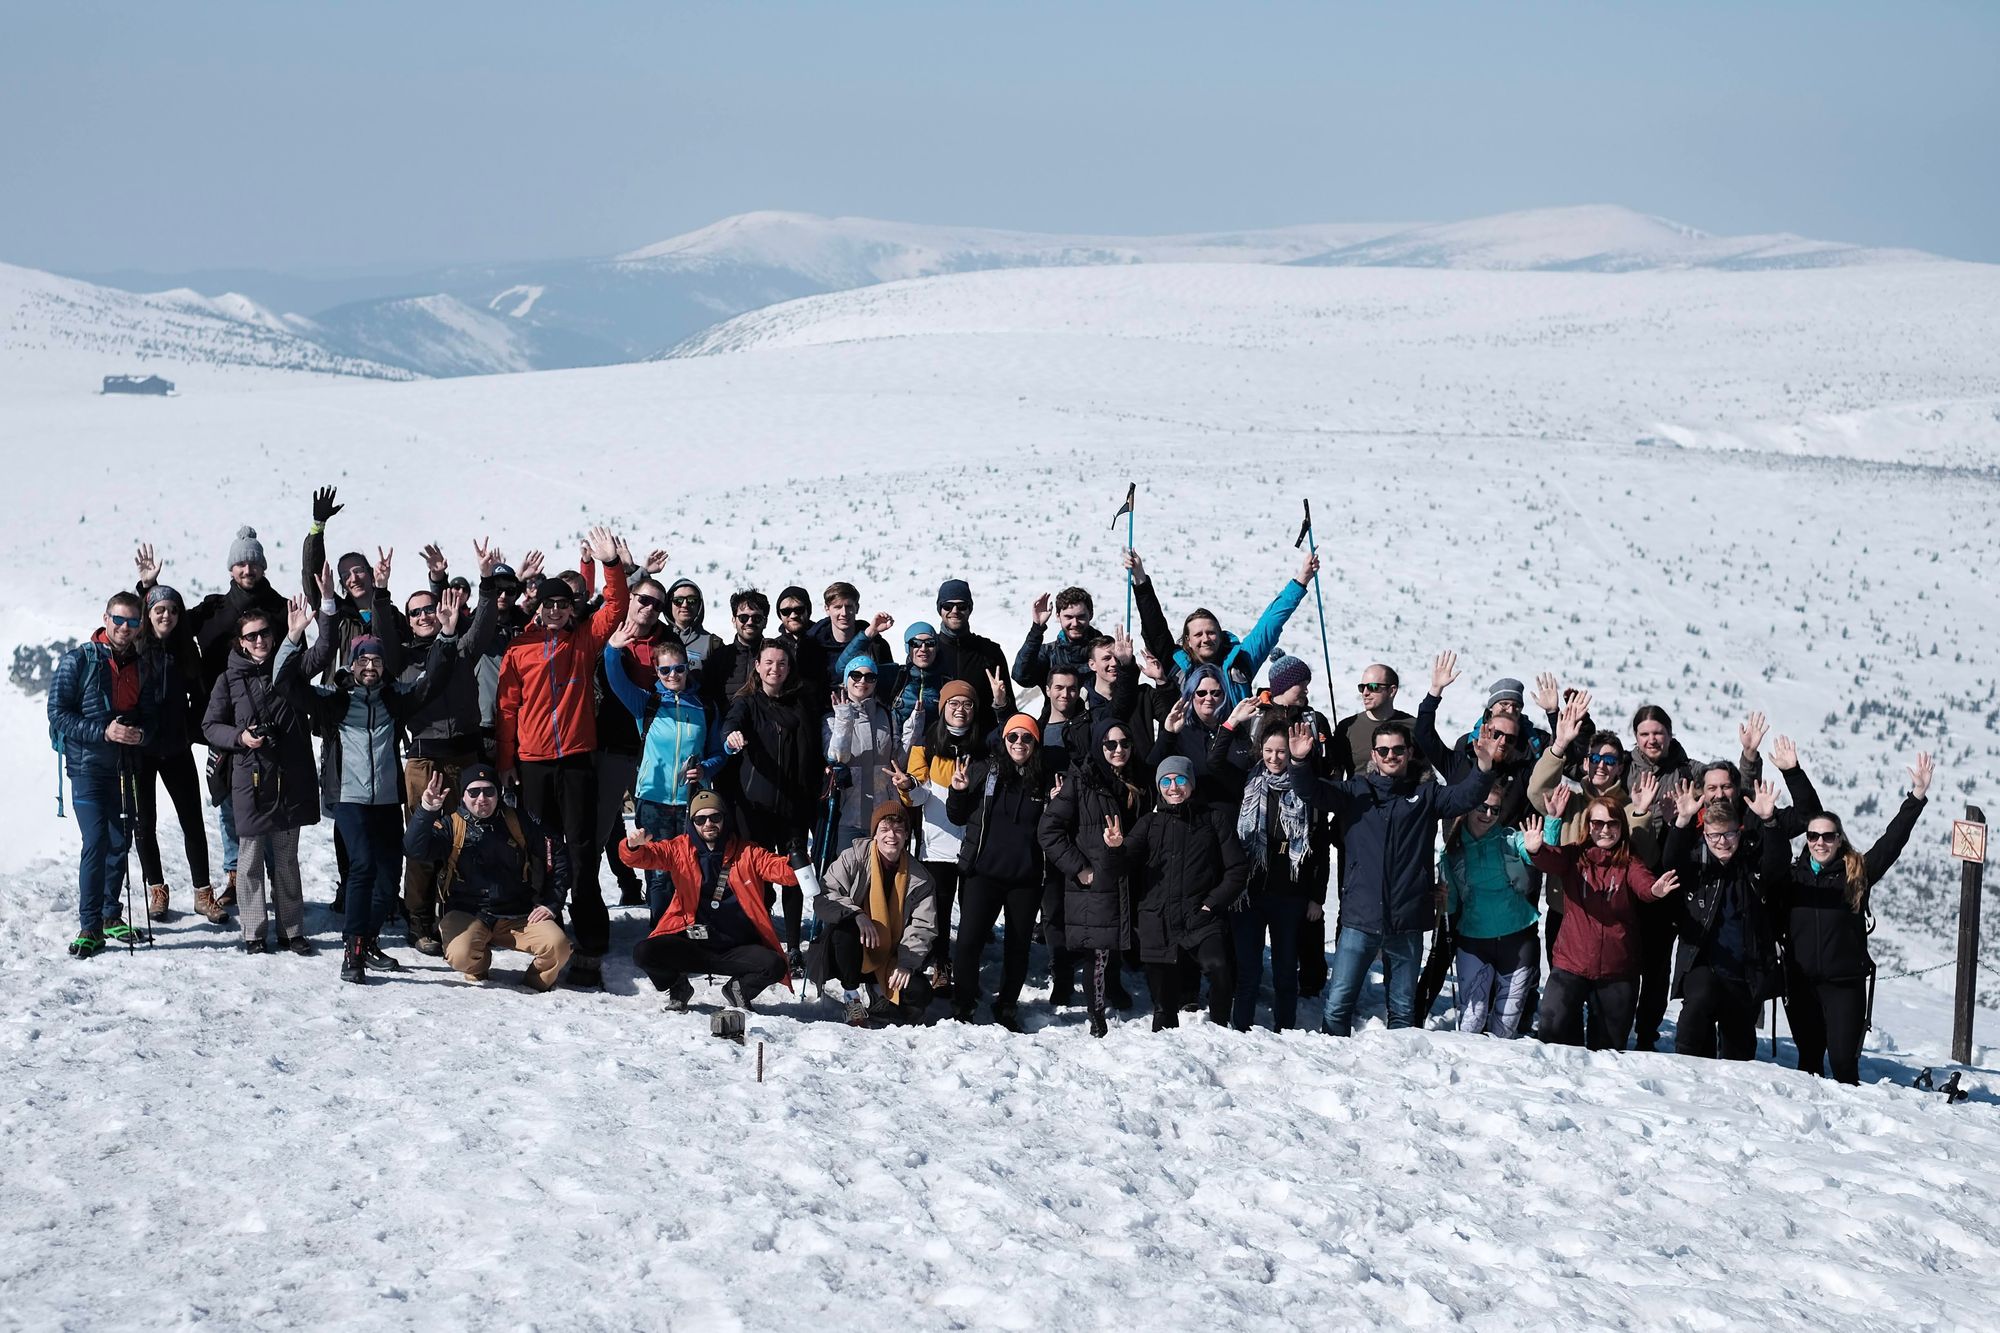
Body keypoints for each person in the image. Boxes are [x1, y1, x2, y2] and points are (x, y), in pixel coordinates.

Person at [1305, 666, 1501, 1037]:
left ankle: (1399, 1072)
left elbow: (1466, 796)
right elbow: (1313, 792)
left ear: (1409, 753)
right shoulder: (1355, 793)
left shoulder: (1425, 795)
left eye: (1398, 749)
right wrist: (1300, 763)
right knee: (1338, 1002)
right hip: (1360, 918)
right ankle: (1329, 1068)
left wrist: (1485, 767)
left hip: (1408, 919)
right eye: (1383, 750)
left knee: (1403, 1008)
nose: (1391, 755)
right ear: (1374, 756)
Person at [286, 578, 457, 983]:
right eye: (362, 661)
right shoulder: (335, 701)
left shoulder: (394, 699)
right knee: (361, 867)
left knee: (387, 876)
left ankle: (369, 940)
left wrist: (447, 636)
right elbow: (287, 686)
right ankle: (352, 950)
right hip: (348, 798)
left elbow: (434, 680)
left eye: (376, 661)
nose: (369, 667)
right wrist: (294, 639)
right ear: (352, 663)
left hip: (385, 800)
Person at [495, 525, 630, 989]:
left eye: (562, 603)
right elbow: (507, 708)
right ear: (538, 606)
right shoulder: (520, 648)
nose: (555, 610)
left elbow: (615, 608)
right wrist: (506, 762)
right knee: (539, 849)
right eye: (548, 603)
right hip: (533, 763)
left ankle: (591, 946)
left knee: (582, 850)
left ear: (571, 608)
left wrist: (610, 565)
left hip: (575, 761)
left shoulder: (583, 641)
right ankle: (545, 936)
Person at [144, 524, 288, 911]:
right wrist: (149, 589)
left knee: (271, 799)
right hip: (219, 722)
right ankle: (235, 875)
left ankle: (276, 878)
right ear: (231, 569)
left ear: (263, 566)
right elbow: (164, 625)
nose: (247, 570)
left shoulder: (280, 608)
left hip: (268, 717)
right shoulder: (211, 610)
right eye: (240, 563)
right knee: (226, 798)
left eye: (253, 563)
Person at [1773, 754, 1932, 1084]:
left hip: (1844, 984)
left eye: (1828, 836)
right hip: (1801, 983)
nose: (1820, 842)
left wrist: (1915, 798)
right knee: (1809, 1061)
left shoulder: (1856, 874)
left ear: (1839, 839)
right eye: (1813, 836)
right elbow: (1768, 856)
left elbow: (1891, 843)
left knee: (1844, 1061)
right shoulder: (1791, 878)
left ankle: (1852, 1129)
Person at [397, 542, 505, 954]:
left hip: (465, 755)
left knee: (466, 837)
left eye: (430, 609)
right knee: (423, 842)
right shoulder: (403, 659)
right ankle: (420, 919)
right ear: (409, 622)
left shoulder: (461, 649)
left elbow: (484, 624)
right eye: (417, 613)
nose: (425, 616)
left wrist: (485, 579)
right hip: (424, 758)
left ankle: (458, 912)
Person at [202, 596, 323, 955]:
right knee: (250, 858)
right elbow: (210, 726)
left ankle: (292, 929)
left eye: (264, 634)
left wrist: (311, 622)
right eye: (251, 636)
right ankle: (253, 932)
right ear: (240, 641)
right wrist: (241, 738)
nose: (259, 641)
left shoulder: (289, 668)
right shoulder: (228, 679)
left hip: (287, 777)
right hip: (249, 780)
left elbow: (325, 649)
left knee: (286, 858)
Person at [1528, 785, 1682, 1050]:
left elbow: (1644, 885)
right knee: (1554, 1035)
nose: (1605, 829)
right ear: (1588, 826)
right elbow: (1551, 861)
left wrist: (1655, 891)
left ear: (1622, 827)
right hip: (1571, 964)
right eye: (1598, 823)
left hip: (1617, 969)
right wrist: (1536, 850)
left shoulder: (1629, 861)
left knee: (1609, 1050)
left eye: (1612, 823)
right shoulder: (1575, 856)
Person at [49, 592, 160, 957]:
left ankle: (112, 915)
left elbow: (149, 717)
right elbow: (57, 713)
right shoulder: (78, 660)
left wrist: (140, 734)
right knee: (96, 840)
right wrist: (104, 732)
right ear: (105, 617)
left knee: (120, 840)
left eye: (131, 622)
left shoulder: (141, 665)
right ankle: (90, 924)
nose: (124, 628)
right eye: (118, 620)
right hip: (86, 767)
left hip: (123, 766)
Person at [621, 791, 800, 1012]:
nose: (708, 824)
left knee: (775, 965)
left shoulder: (748, 852)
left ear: (725, 818)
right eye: (700, 819)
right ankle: (678, 986)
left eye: (715, 817)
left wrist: (797, 859)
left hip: (736, 947)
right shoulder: (679, 849)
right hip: (692, 944)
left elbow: (783, 872)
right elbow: (643, 857)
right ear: (692, 822)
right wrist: (633, 846)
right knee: (644, 952)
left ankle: (738, 990)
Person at [125, 551, 225, 926]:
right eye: (159, 610)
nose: (166, 615)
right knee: (143, 824)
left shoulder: (186, 652)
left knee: (192, 820)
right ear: (148, 616)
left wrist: (197, 731)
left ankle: (203, 893)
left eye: (172, 610)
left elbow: (201, 696)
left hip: (177, 747)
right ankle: (157, 890)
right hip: (141, 751)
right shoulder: (136, 650)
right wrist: (147, 586)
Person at [406, 765, 572, 989]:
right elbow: (414, 850)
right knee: (460, 955)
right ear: (463, 795)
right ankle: (479, 963)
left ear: (499, 793)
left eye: (489, 791)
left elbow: (557, 854)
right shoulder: (450, 825)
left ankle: (535, 982)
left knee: (558, 946)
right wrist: (426, 811)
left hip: (517, 913)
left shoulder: (518, 821)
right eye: (473, 792)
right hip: (467, 912)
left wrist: (552, 903)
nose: (481, 798)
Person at [1207, 710, 1320, 1031]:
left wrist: (1315, 896)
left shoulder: (1307, 787)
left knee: (1286, 971)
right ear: (1260, 750)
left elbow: (1319, 848)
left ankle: (1285, 1030)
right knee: (1248, 972)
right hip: (1248, 892)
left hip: (1290, 893)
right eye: (1269, 751)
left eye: (1282, 751)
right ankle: (1241, 1030)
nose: (1274, 758)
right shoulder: (1248, 780)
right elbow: (1215, 762)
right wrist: (1230, 724)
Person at [1118, 755, 1245, 1030]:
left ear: (1192, 783)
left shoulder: (1213, 820)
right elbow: (1121, 866)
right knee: (1163, 1007)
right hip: (1158, 920)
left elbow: (1237, 869)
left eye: (1180, 780)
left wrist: (1212, 904)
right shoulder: (1148, 824)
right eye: (1166, 781)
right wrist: (1115, 849)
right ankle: (1165, 1059)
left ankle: (1221, 1029)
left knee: (1220, 971)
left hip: (1201, 916)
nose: (1173, 787)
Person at [720, 640, 825, 965]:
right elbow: (731, 725)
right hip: (755, 806)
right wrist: (731, 737)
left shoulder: (802, 702)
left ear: (789, 668)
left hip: (794, 805)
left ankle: (793, 946)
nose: (774, 669)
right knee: (759, 877)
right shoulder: (748, 703)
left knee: (794, 871)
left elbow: (818, 744)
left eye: (781, 663)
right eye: (768, 662)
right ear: (757, 665)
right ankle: (762, 938)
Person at [1040, 716, 1147, 1035]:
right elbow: (1048, 831)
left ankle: (1110, 993)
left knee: (1112, 945)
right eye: (1110, 744)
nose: (1118, 750)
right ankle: (1096, 1012)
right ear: (1099, 746)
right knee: (1098, 952)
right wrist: (1080, 868)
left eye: (1124, 743)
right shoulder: (1081, 781)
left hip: (1126, 876)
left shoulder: (1137, 778)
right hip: (1095, 880)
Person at [1663, 781, 1784, 1060]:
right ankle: (1685, 1069)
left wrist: (1770, 821)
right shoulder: (1697, 867)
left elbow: (1777, 864)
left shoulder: (1750, 866)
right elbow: (1672, 861)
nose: (1722, 842)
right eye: (1715, 836)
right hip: (1703, 963)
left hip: (1745, 971)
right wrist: (1681, 822)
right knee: (1697, 1011)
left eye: (1728, 835)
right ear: (1704, 835)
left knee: (1739, 1048)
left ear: (1739, 833)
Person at [944, 714, 1052, 1030]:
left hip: (1026, 878)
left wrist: (1057, 804)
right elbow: (957, 816)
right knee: (967, 941)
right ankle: (963, 1002)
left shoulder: (1045, 780)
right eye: (1013, 737)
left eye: (1027, 738)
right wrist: (959, 791)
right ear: (1004, 741)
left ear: (1036, 743)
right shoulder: (985, 772)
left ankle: (1006, 1005)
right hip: (983, 873)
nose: (1019, 743)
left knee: (1018, 947)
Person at [603, 631, 718, 924]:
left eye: (679, 668)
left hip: (691, 803)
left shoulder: (704, 706)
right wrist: (613, 649)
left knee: (691, 872)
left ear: (687, 668)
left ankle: (689, 931)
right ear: (657, 671)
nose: (673, 675)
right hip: (653, 802)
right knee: (658, 876)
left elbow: (718, 752)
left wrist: (705, 768)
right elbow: (616, 680)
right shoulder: (648, 703)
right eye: (665, 669)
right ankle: (660, 934)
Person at [893, 678, 991, 991]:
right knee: (940, 911)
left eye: (966, 704)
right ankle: (941, 964)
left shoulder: (983, 747)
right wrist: (908, 787)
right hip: (936, 844)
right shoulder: (926, 744)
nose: (960, 710)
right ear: (943, 708)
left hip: (975, 842)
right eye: (953, 703)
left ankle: (967, 968)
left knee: (974, 914)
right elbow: (921, 795)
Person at [1126, 547, 1317, 704]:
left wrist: (1302, 579)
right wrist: (1140, 580)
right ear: (1188, 640)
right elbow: (1154, 624)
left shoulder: (1242, 659)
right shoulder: (1175, 663)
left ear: (1220, 634)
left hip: (1235, 746)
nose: (1205, 639)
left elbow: (1271, 622)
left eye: (1211, 632)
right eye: (1198, 634)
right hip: (1188, 748)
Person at [808, 803, 941, 1026]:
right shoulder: (853, 857)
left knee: (920, 993)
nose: (892, 836)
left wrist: (906, 963)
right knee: (847, 926)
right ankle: (852, 998)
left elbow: (923, 926)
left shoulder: (920, 878)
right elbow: (825, 895)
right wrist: (857, 914)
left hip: (891, 955)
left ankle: (879, 991)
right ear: (875, 834)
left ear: (907, 835)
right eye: (885, 829)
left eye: (898, 830)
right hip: (849, 953)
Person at [1439, 795, 1540, 1038]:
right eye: (1482, 807)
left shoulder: (1509, 840)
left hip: (1517, 939)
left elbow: (1535, 853)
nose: (1488, 814)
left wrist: (1541, 840)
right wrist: (1439, 898)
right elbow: (1450, 906)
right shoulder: (1451, 853)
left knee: (1504, 1029)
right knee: (1472, 1021)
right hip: (1474, 940)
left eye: (1495, 810)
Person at [823, 655, 900, 857]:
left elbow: (897, 759)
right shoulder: (832, 717)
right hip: (848, 816)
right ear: (846, 679)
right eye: (856, 676)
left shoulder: (887, 716)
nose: (862, 682)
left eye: (869, 677)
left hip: (882, 819)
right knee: (847, 880)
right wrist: (844, 718)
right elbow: (836, 755)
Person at [933, 578, 1011, 724]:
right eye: (948, 606)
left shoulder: (990, 652)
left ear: (970, 609)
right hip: (936, 741)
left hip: (981, 742)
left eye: (962, 606)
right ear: (940, 609)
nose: (955, 611)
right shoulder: (927, 650)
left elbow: (1009, 708)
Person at [1011, 586, 1098, 691]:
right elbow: (1021, 677)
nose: (1075, 623)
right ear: (1058, 616)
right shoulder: (1048, 654)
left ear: (1091, 614)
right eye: (1068, 617)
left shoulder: (1106, 653)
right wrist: (1036, 629)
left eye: (1081, 617)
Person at [808, 581, 892, 687]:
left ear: (857, 608)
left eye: (848, 606)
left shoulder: (876, 645)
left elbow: (887, 684)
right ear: (827, 609)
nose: (844, 613)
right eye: (837, 607)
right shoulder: (812, 645)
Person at [701, 589, 771, 712]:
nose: (750, 622)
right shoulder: (719, 658)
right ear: (734, 621)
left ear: (765, 622)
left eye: (757, 618)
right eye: (743, 618)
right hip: (726, 728)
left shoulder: (775, 656)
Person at [662, 577, 724, 688]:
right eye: (678, 600)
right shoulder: (659, 635)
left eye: (692, 600)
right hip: (664, 704)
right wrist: (638, 571)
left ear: (699, 605)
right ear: (669, 604)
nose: (685, 605)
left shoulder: (712, 643)